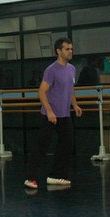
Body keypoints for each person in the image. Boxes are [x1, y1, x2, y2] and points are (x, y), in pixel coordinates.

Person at [24, 38, 82, 190]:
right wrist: (49, 111)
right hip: (50, 116)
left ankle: (56, 175)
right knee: (42, 146)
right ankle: (30, 178)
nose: (70, 51)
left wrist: (75, 105)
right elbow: (42, 91)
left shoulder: (72, 69)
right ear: (59, 51)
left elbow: (71, 89)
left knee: (67, 144)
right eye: (67, 49)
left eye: (71, 49)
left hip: (65, 115)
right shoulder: (51, 70)